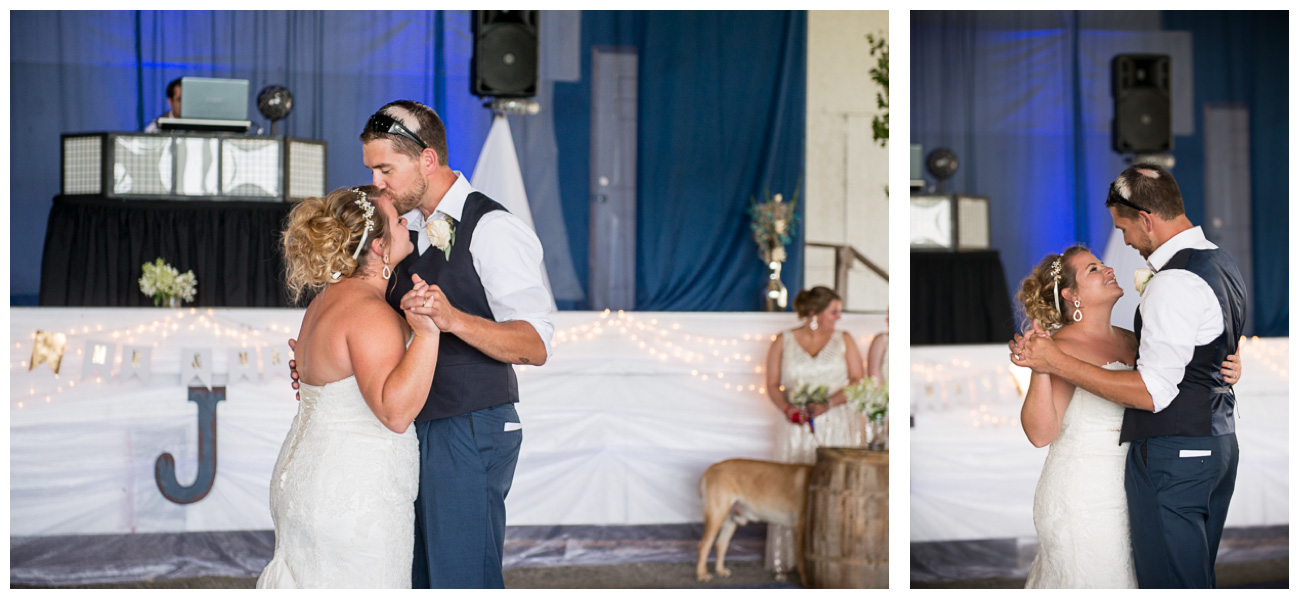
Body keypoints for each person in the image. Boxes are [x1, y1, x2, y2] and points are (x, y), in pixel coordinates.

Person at [293, 100, 552, 589]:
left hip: (469, 426)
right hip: (407, 432)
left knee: (459, 578)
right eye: (373, 169)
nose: (378, 182)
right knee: (417, 578)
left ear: (427, 160)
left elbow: (535, 344)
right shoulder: (398, 229)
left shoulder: (494, 229)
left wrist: (454, 320)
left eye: (386, 168)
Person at [1013, 163, 1247, 588]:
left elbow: (1164, 381)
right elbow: (1041, 432)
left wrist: (1223, 367)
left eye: (1122, 230)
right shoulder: (1219, 261)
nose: (1117, 255)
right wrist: (1044, 366)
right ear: (1070, 296)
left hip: (1146, 480)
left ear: (1145, 219)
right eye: (1092, 269)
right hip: (1087, 490)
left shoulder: (1144, 319)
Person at [258, 186, 440, 588]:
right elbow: (394, 413)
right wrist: (427, 335)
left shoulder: (324, 302)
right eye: (397, 220)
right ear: (379, 246)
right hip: (352, 495)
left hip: (306, 479)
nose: (407, 222)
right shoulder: (370, 312)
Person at [761, 285, 865, 577]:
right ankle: (790, 558)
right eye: (833, 312)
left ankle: (833, 556)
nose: (839, 317)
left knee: (833, 486)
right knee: (793, 490)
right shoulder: (783, 341)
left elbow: (858, 379)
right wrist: (787, 408)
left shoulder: (844, 340)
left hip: (835, 423)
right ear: (813, 313)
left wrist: (829, 403)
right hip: (795, 427)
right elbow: (771, 384)